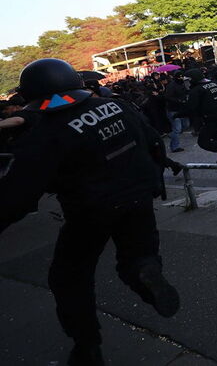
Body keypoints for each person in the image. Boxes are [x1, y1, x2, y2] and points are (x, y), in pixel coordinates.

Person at [0, 59, 181, 366]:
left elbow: (17, 194)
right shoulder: (118, 107)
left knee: (69, 279)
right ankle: (144, 273)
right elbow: (152, 141)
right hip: (139, 197)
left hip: (91, 210)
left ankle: (87, 347)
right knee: (139, 256)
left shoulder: (44, 133)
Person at [179, 69, 217, 163]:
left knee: (203, 142)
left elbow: (192, 108)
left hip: (210, 117)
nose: (187, 83)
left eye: (188, 80)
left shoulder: (196, 90)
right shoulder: (213, 83)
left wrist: (179, 114)